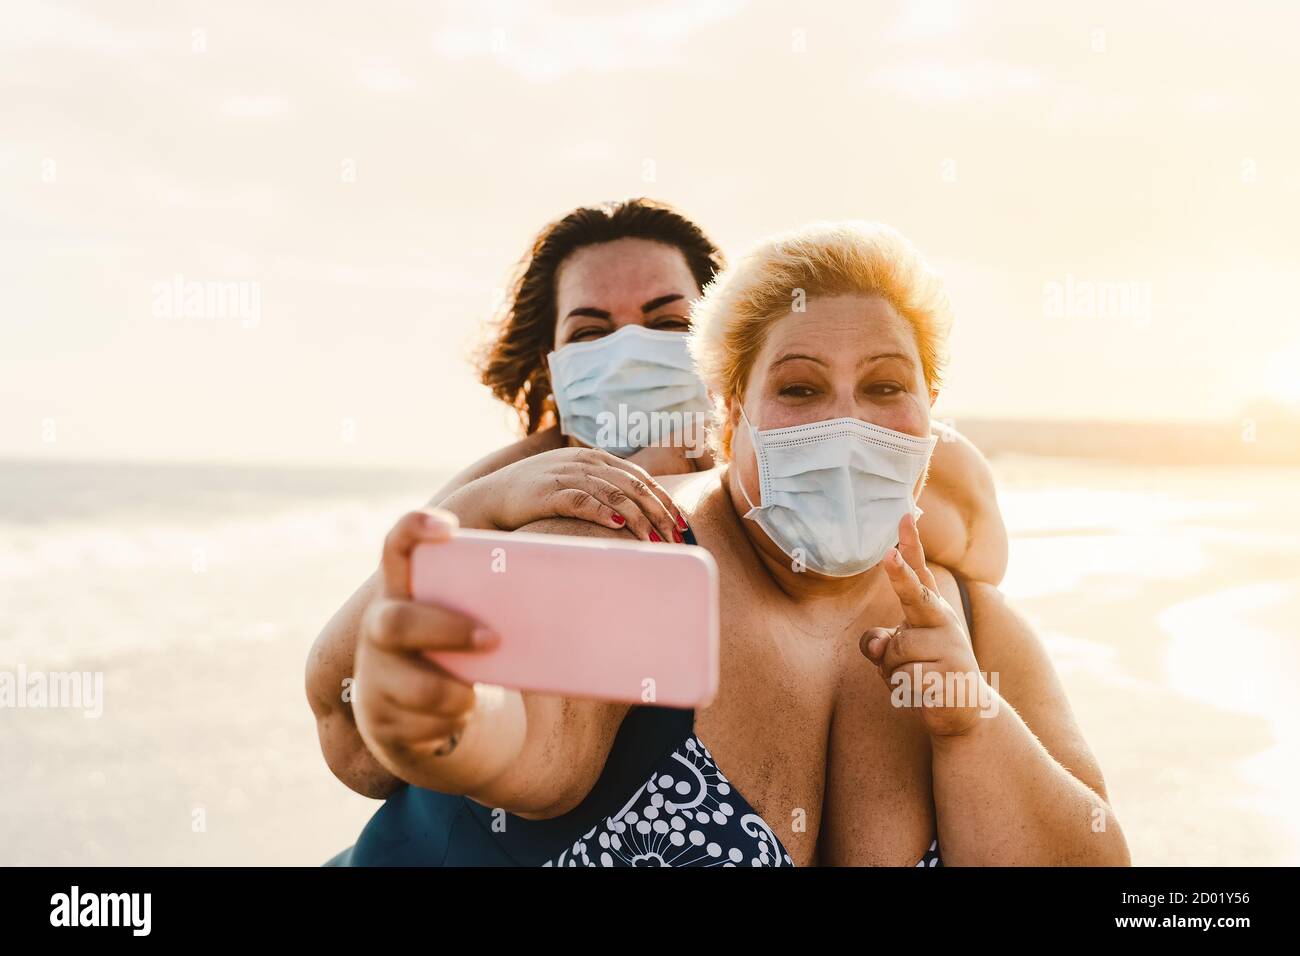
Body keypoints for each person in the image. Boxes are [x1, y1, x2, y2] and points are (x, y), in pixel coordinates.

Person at [323, 220, 1129, 866]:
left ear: (931, 413)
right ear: (730, 407)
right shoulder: (620, 534)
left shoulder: (970, 615)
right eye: (800, 388)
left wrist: (974, 722)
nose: (844, 427)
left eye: (885, 386)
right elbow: (532, 744)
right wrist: (451, 716)